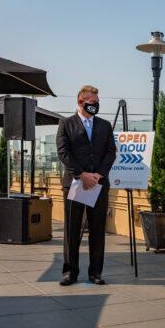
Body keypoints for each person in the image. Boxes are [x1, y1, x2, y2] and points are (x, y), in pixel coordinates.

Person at [56, 85, 116, 286]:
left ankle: (95, 272)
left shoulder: (105, 125)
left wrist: (98, 175)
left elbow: (110, 152)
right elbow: (63, 152)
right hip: (75, 183)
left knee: (98, 230)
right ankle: (70, 272)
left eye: (97, 103)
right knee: (72, 230)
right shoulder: (66, 123)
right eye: (92, 103)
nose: (96, 106)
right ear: (81, 102)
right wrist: (82, 174)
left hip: (99, 184)